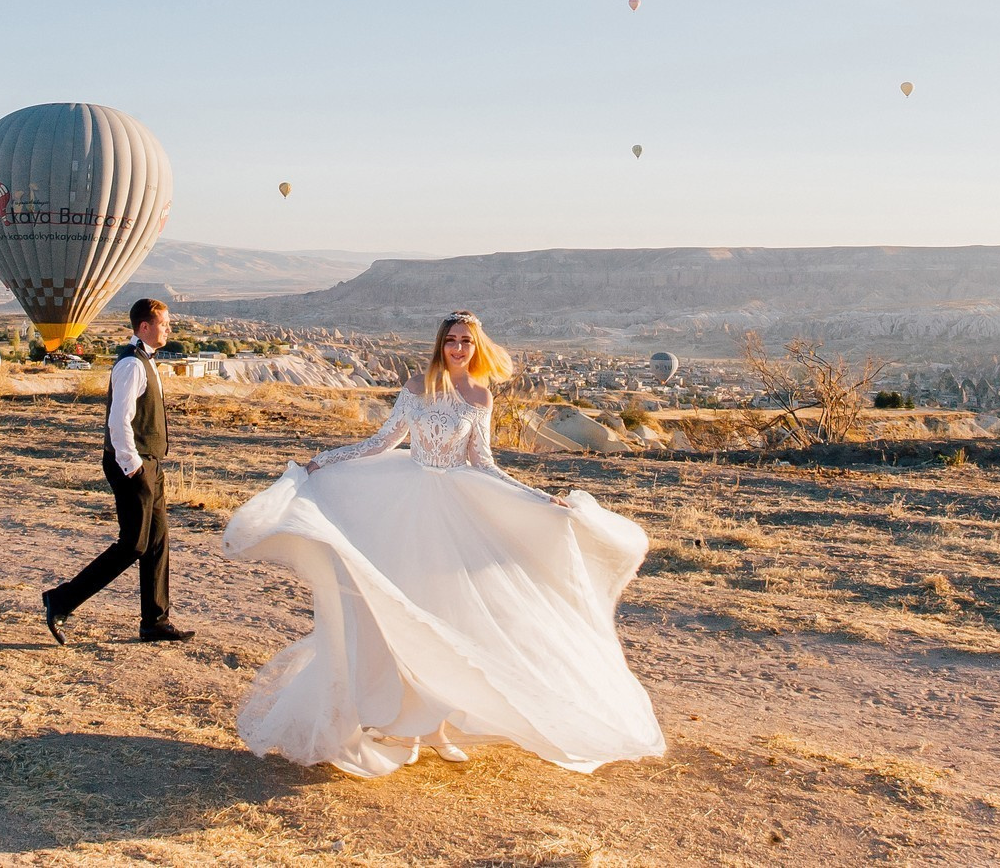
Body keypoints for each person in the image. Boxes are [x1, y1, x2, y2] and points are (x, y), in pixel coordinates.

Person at [222, 311, 664, 777]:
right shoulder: (416, 387)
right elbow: (381, 442)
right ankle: (408, 728)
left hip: (453, 509)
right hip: (405, 506)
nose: (457, 348)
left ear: (477, 347)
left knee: (444, 616)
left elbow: (485, 464)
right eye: (451, 340)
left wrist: (539, 498)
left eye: (466, 341)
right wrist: (323, 461)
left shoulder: (480, 395)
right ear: (440, 344)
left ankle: (437, 730)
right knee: (400, 612)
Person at [41, 298, 194, 644]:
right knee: (133, 545)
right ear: (144, 327)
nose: (168, 328)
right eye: (164, 323)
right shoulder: (131, 365)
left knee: (157, 542)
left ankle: (155, 621)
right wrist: (134, 468)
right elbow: (118, 421)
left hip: (150, 463)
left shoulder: (148, 362)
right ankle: (61, 600)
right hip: (132, 464)